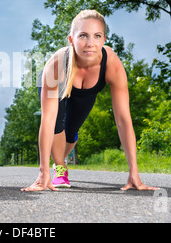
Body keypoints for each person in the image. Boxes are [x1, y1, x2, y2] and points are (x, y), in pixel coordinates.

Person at [22, 10, 158, 192]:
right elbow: (46, 121)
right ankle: (59, 168)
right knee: (56, 122)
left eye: (97, 36)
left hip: (85, 94)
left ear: (104, 39)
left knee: (70, 133)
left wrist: (134, 171)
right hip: (56, 84)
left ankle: (59, 160)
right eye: (83, 36)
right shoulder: (56, 65)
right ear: (71, 39)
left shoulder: (112, 64)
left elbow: (123, 120)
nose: (90, 44)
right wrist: (42, 172)